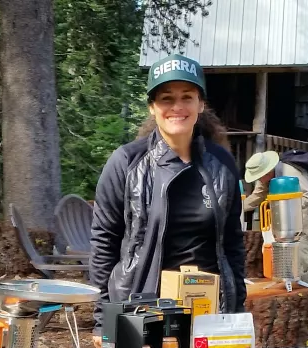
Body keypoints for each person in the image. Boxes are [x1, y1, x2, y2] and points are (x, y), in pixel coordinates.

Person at [89, 54, 246, 331]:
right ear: (152, 106)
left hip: (207, 309)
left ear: (201, 104)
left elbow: (232, 245)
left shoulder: (222, 164)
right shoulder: (127, 162)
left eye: (187, 97)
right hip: (141, 309)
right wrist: (104, 320)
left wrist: (236, 309)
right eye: (166, 98)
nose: (177, 107)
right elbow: (104, 244)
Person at [241, 150, 279, 217]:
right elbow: (256, 196)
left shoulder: (288, 172)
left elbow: (303, 200)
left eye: (259, 177)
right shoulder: (265, 179)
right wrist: (237, 209)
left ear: (267, 173)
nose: (259, 180)